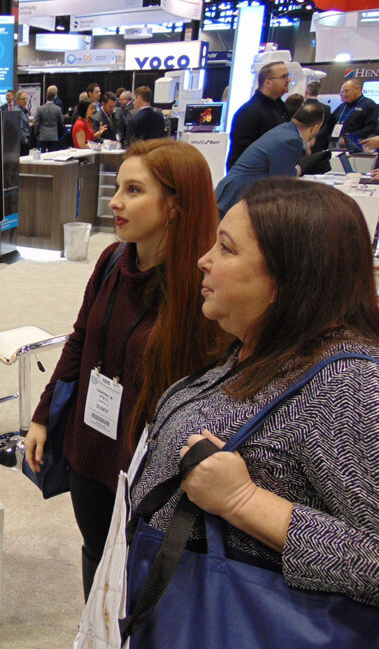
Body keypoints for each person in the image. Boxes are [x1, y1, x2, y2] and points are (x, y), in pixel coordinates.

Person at [131, 177, 379, 610]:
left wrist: (245, 502)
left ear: (290, 275)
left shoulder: (347, 385)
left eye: (227, 249)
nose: (204, 260)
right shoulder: (262, 344)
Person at [25, 140, 223, 599]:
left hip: (151, 470)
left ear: (175, 205)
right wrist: (41, 415)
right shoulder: (113, 260)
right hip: (89, 450)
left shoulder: (204, 286)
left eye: (134, 190)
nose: (115, 202)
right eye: (119, 188)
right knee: (97, 559)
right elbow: (80, 340)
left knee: (143, 580)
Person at [215, 102, 325, 216]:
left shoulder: (284, 130)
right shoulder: (292, 140)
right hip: (237, 198)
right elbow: (281, 184)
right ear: (315, 128)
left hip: (231, 192)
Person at [226, 61, 291, 170]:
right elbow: (242, 155)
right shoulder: (248, 113)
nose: (288, 80)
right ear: (268, 83)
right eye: (284, 76)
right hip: (256, 179)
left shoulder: (280, 106)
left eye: (288, 76)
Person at [328, 78, 379, 152]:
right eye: (342, 91)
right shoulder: (342, 106)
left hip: (355, 146)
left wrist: (351, 137)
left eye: (346, 91)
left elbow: (371, 127)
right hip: (335, 143)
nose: (343, 94)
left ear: (357, 89)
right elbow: (330, 122)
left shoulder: (369, 105)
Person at [34, 88, 64, 152]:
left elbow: (36, 123)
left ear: (46, 97)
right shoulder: (58, 109)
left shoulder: (40, 109)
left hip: (42, 136)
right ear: (54, 98)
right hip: (54, 136)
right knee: (52, 156)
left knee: (41, 156)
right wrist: (59, 134)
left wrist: (36, 134)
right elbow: (61, 123)